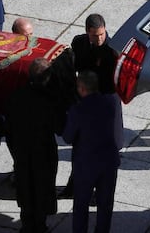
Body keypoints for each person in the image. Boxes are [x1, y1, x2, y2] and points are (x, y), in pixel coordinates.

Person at [60, 14, 123, 199]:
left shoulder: (113, 49)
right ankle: (74, 185)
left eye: (102, 34)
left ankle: (97, 190)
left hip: (105, 104)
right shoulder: (79, 43)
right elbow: (75, 67)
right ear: (87, 32)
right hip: (85, 101)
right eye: (95, 35)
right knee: (80, 146)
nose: (99, 39)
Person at [5, 57, 61, 233]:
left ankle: (27, 224)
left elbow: (9, 127)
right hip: (43, 153)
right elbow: (58, 127)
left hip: (22, 152)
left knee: (25, 187)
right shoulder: (49, 101)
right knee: (42, 188)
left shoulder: (16, 95)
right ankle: (40, 224)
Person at [62, 71, 120, 233]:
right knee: (105, 204)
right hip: (108, 161)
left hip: (86, 164)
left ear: (81, 89)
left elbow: (68, 137)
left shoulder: (77, 110)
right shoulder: (110, 103)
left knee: (81, 205)